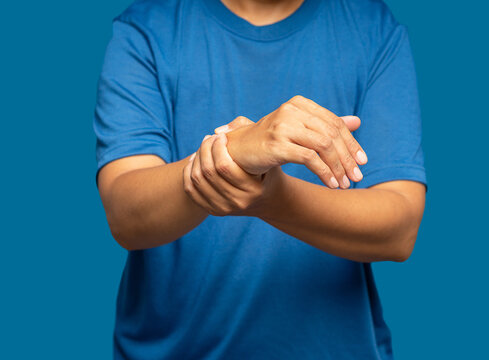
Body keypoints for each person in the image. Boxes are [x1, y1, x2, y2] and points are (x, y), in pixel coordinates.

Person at [94, 0, 426, 358]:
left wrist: (273, 197)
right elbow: (126, 215)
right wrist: (233, 154)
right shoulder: (146, 27)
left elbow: (400, 229)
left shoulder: (372, 27)